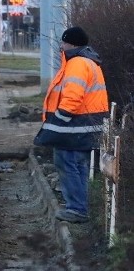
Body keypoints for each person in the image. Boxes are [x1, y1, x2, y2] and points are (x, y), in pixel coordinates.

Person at [35, 26, 109, 224]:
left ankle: (77, 209)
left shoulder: (77, 64)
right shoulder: (90, 62)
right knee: (79, 167)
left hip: (73, 129)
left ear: (72, 44)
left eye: (64, 42)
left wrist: (58, 120)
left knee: (68, 165)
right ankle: (80, 206)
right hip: (85, 127)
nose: (61, 45)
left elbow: (72, 98)